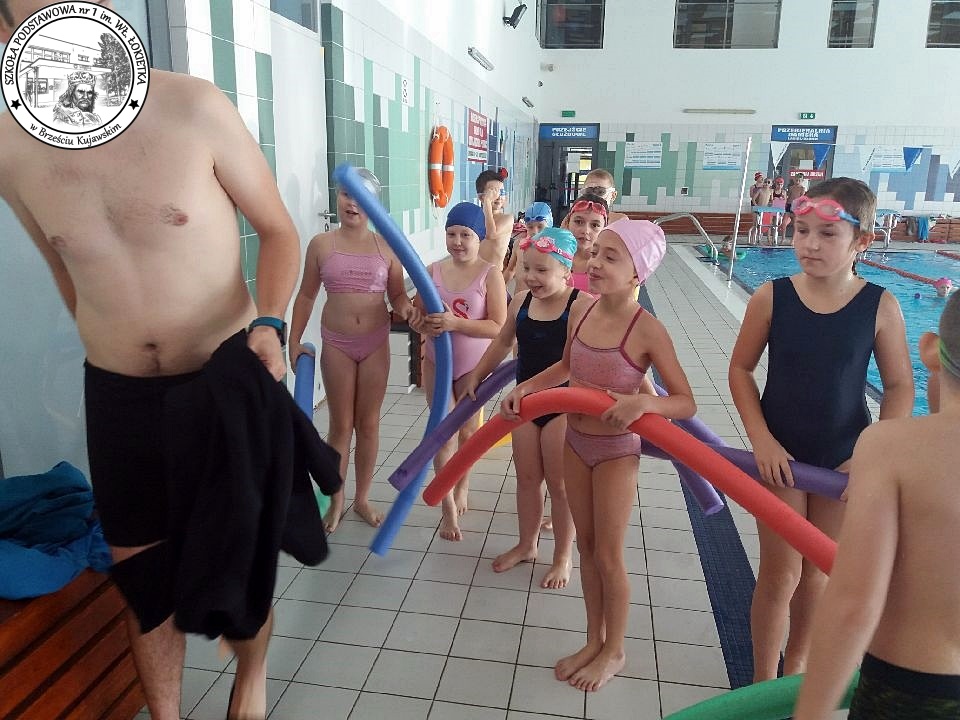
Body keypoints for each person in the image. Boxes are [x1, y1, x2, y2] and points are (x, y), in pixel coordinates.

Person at [0, 1, 305, 717]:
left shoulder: (194, 107)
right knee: (143, 577)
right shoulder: (11, 146)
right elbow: (63, 267)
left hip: (224, 377)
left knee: (237, 561)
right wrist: (104, 340)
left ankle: (250, 675)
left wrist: (270, 322)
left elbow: (278, 230)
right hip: (119, 396)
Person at [728, 178, 914, 684]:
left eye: (827, 234)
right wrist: (762, 441)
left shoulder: (880, 305)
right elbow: (741, 370)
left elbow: (899, 387)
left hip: (843, 458)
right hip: (781, 457)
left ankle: (796, 671)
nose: (809, 244)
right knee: (780, 574)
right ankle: (763, 681)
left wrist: (872, 452)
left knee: (816, 573)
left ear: (862, 242)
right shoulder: (772, 297)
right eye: (801, 230)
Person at [502, 219, 696, 691]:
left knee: (609, 555)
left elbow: (685, 402)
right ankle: (593, 640)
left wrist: (643, 404)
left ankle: (616, 650)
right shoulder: (581, 312)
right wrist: (526, 388)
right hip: (575, 439)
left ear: (638, 273)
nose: (595, 263)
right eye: (595, 254)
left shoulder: (647, 330)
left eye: (611, 257)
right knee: (586, 549)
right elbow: (566, 367)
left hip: (615, 453)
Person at [794, 293, 960, 720]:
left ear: (929, 349)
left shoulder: (893, 447)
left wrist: (810, 711)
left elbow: (854, 605)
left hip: (912, 692)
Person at [459, 227, 590, 589]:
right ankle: (527, 545)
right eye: (526, 268)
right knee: (527, 481)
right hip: (525, 406)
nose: (531, 276)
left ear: (566, 271)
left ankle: (562, 556)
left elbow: (569, 366)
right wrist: (477, 376)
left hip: (562, 405)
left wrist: (525, 391)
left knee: (560, 486)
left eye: (542, 270)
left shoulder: (579, 305)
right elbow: (502, 344)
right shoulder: (520, 302)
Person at [288, 169, 415, 533]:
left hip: (375, 343)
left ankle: (362, 498)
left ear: (374, 204)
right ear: (337, 197)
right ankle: (336, 500)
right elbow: (307, 295)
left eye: (361, 197)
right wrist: (294, 341)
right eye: (346, 194)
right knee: (340, 426)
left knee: (369, 423)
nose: (352, 203)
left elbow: (397, 295)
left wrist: (408, 310)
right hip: (337, 344)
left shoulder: (386, 246)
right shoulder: (321, 244)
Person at [412, 202, 507, 541]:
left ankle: (462, 484)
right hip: (436, 364)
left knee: (468, 432)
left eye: (465, 235)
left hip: (473, 368)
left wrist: (456, 323)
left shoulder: (490, 274)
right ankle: (447, 505)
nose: (457, 241)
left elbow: (497, 326)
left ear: (479, 238)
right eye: (451, 234)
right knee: (444, 432)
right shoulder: (433, 271)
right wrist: (419, 322)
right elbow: (418, 316)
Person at [504, 201, 553, 290]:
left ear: (549, 226)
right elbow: (510, 270)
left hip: (541, 298)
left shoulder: (554, 250)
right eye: (530, 227)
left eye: (540, 227)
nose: (535, 231)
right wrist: (499, 287)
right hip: (519, 297)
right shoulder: (518, 245)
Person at [565, 194, 609, 292]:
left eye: (595, 225)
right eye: (579, 222)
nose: (585, 231)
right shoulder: (553, 258)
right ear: (568, 223)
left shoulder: (607, 267)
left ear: (605, 229)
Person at [476, 168, 515, 271]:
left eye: (501, 192)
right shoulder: (476, 219)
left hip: (494, 274)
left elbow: (491, 234)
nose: (498, 196)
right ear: (481, 197)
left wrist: (487, 202)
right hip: (476, 272)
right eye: (493, 192)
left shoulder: (507, 218)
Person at [561, 168, 627, 225]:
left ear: (613, 196)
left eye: (600, 192)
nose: (594, 197)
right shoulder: (573, 219)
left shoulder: (619, 221)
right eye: (589, 192)